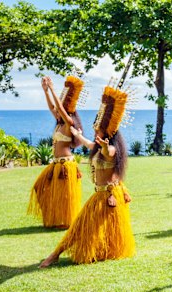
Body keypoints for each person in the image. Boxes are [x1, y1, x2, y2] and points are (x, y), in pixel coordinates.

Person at [39, 82, 134, 268]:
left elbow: (108, 152)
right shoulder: (96, 146)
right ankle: (60, 253)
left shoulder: (111, 149)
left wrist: (105, 146)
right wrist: (77, 134)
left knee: (80, 225)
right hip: (102, 195)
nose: (94, 131)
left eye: (97, 129)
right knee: (89, 227)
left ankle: (54, 255)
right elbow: (87, 143)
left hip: (108, 196)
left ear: (106, 132)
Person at [27, 76, 84, 229]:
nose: (56, 113)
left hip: (66, 164)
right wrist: (45, 91)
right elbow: (53, 108)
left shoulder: (68, 123)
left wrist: (52, 89)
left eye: (60, 111)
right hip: (56, 163)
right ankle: (54, 216)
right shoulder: (59, 123)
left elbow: (58, 108)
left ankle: (65, 221)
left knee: (64, 195)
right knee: (39, 187)